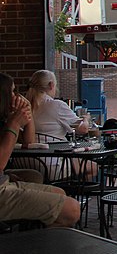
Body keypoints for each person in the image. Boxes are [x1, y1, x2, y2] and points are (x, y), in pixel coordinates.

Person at [0, 72, 80, 227]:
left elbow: (29, 142)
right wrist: (15, 124)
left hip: (7, 179)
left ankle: (31, 236)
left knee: (58, 192)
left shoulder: (4, 120)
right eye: (11, 91)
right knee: (72, 209)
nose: (15, 95)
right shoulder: (56, 105)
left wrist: (27, 110)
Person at [27, 70, 96, 180]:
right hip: (51, 163)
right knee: (93, 167)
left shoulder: (24, 105)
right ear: (51, 85)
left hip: (24, 163)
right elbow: (83, 129)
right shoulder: (56, 105)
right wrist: (86, 118)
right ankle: (76, 196)